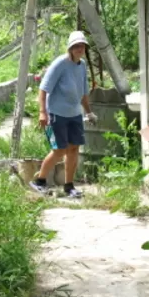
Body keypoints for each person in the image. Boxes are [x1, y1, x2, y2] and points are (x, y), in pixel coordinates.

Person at [30, 30, 97, 198]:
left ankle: (69, 186)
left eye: (82, 46)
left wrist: (89, 112)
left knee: (74, 149)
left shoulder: (81, 66)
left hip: (74, 114)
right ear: (70, 47)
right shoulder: (60, 64)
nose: (79, 49)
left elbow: (83, 93)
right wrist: (42, 113)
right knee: (59, 150)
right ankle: (39, 181)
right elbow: (43, 88)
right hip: (57, 114)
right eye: (76, 46)